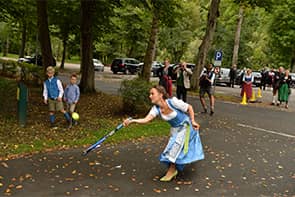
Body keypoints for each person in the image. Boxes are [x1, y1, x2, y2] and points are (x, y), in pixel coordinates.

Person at [123, 85, 204, 182]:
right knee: (171, 150)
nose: (150, 96)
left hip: (185, 127)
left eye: (152, 93)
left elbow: (189, 108)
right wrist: (132, 121)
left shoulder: (173, 102)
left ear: (160, 95)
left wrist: (193, 121)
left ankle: (171, 171)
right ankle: (173, 169)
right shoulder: (155, 109)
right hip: (175, 130)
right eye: (150, 94)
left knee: (175, 148)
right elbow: (146, 119)